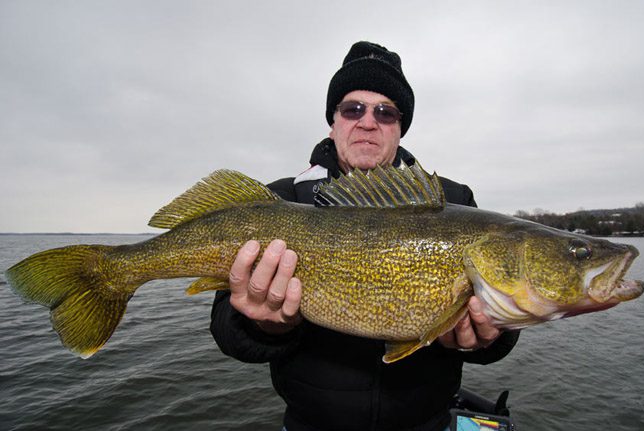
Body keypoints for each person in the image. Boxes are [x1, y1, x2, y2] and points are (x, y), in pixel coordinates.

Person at [211, 41, 519, 431]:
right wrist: (264, 326)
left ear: (400, 128)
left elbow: (501, 326)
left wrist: (490, 339)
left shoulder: (455, 203)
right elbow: (226, 330)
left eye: (385, 112)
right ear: (333, 120)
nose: (368, 122)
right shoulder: (279, 201)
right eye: (352, 108)